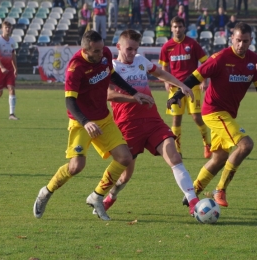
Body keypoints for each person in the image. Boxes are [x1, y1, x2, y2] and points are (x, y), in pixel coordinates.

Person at [33, 30, 154, 221]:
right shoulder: (75, 68)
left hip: (103, 118)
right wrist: (85, 122)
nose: (101, 54)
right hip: (81, 121)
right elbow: (70, 103)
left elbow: (112, 75)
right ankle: (46, 192)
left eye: (101, 49)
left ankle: (97, 196)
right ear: (85, 50)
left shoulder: (104, 53)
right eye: (96, 51)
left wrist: (133, 93)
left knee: (125, 158)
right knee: (76, 167)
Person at [93, 29, 199, 217]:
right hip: (127, 125)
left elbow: (160, 72)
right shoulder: (111, 68)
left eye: (136, 49)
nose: (133, 53)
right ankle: (110, 197)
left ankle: (193, 202)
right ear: (118, 47)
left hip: (152, 121)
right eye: (129, 49)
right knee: (125, 175)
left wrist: (182, 85)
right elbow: (108, 95)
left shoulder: (141, 61)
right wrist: (135, 98)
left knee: (174, 157)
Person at [167, 22, 257, 208]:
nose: (241, 45)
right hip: (214, 111)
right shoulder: (220, 58)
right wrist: (177, 94)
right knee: (246, 144)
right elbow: (196, 76)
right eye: (238, 40)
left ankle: (192, 192)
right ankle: (220, 189)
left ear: (251, 41)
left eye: (245, 41)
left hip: (228, 115)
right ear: (231, 38)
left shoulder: (253, 61)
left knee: (219, 158)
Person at [159, 16, 211, 159]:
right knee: (176, 119)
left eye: (180, 26)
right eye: (175, 27)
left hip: (192, 85)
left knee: (196, 117)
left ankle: (207, 144)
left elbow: (205, 62)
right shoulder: (167, 47)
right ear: (171, 28)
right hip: (175, 87)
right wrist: (166, 81)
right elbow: (164, 66)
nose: (177, 29)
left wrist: (203, 81)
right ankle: (177, 149)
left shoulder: (192, 44)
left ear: (184, 28)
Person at [0, 21, 18, 120]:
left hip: (9, 69)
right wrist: (1, 67)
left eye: (9, 27)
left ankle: (11, 114)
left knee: (11, 88)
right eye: (6, 27)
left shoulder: (12, 41)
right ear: (2, 28)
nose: (8, 29)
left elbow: (13, 56)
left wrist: (15, 68)